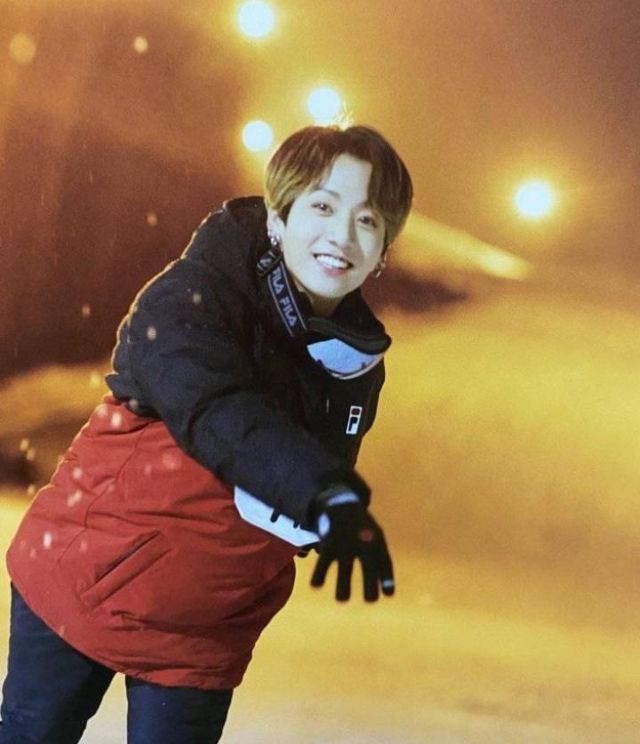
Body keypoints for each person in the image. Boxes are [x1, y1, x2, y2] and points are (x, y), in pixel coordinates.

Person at [0, 124, 413, 743]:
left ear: (383, 251)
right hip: (86, 580)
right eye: (323, 207)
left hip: (207, 629)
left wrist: (325, 518)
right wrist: (325, 492)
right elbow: (218, 412)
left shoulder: (354, 364)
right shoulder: (195, 294)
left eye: (367, 220)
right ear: (279, 217)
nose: (342, 236)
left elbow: (291, 484)